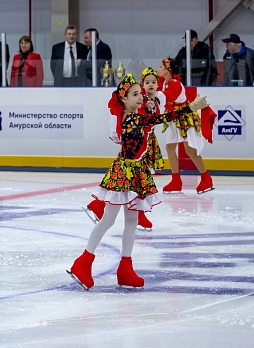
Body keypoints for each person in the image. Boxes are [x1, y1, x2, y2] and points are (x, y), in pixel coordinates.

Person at [68, 74, 208, 291]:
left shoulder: (136, 115)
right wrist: (191, 107)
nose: (140, 97)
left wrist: (152, 106)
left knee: (132, 221)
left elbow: (153, 118)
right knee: (107, 221)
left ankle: (125, 268)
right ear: (124, 99)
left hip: (137, 171)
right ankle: (83, 263)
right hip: (124, 173)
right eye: (135, 94)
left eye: (140, 93)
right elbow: (162, 118)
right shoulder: (132, 119)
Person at [85, 67, 163, 231]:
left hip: (146, 142)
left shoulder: (155, 100)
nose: (150, 85)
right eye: (147, 82)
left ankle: (100, 205)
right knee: (132, 177)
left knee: (134, 177)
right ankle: (136, 213)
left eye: (153, 82)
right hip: (137, 143)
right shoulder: (137, 105)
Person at [159, 58, 215, 194]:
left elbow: (164, 98)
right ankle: (176, 180)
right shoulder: (165, 83)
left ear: (168, 69)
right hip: (174, 119)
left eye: (161, 66)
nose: (159, 69)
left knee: (190, 151)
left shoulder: (175, 84)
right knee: (170, 147)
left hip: (185, 119)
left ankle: (206, 178)